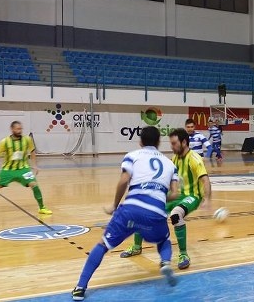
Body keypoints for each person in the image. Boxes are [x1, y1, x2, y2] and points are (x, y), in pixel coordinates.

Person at [72, 126, 178, 301]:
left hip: (131, 209)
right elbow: (175, 193)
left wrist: (114, 205)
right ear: (159, 142)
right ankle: (165, 262)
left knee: (103, 244)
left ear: (140, 141)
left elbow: (123, 181)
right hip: (155, 212)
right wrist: (157, 195)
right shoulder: (170, 164)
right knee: (163, 239)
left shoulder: (133, 156)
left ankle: (80, 287)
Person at [119, 128, 212, 271]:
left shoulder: (194, 159)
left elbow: (205, 180)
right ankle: (137, 247)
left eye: (174, 143)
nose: (171, 146)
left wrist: (207, 199)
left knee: (176, 214)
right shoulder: (175, 158)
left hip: (192, 196)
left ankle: (183, 254)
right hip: (177, 195)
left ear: (184, 142)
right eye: (171, 143)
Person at [0, 121, 51, 217]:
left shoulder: (27, 140)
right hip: (7, 171)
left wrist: (34, 165)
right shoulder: (4, 142)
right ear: (12, 129)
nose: (20, 131)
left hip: (23, 169)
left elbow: (32, 151)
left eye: (21, 129)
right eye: (18, 129)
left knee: (34, 185)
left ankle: (42, 208)